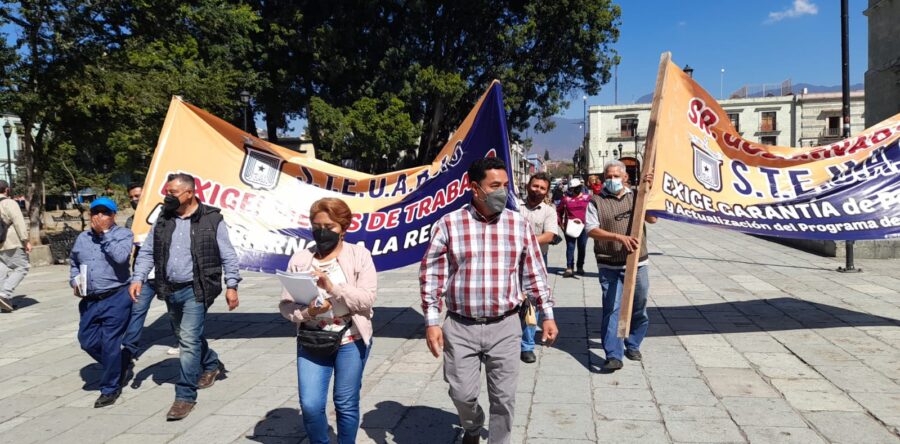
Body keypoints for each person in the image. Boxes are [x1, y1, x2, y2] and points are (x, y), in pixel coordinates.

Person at [421, 157, 558, 444]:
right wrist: (432, 321)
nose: (502, 192)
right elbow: (431, 275)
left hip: (506, 326)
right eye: (495, 186)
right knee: (462, 394)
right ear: (475, 188)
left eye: (506, 186)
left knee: (504, 399)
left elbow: (535, 273)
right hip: (460, 327)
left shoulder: (517, 225)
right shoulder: (449, 224)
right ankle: (472, 427)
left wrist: (547, 313)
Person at [130, 173, 241, 421]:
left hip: (198, 288)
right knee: (184, 335)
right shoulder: (164, 217)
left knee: (188, 341)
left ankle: (185, 396)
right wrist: (137, 277)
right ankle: (211, 363)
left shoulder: (212, 219)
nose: (167, 197)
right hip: (169, 288)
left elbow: (228, 254)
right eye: (167, 192)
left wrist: (232, 284)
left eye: (173, 193)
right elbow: (148, 250)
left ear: (190, 193)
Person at [279, 197, 377, 444]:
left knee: (345, 403)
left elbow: (366, 299)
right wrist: (308, 312)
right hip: (312, 339)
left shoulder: (360, 255)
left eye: (329, 227)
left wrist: (333, 288)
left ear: (344, 228)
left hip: (350, 338)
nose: (322, 233)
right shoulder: (301, 259)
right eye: (317, 226)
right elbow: (286, 306)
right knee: (311, 405)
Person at [584, 160, 656, 372]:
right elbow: (591, 229)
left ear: (625, 178)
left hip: (638, 262)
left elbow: (652, 219)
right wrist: (618, 237)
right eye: (609, 176)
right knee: (612, 308)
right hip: (609, 264)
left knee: (639, 305)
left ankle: (633, 343)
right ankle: (613, 354)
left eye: (616, 176)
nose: (612, 180)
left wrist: (649, 192)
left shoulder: (636, 197)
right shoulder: (596, 201)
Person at [69, 197, 134, 407]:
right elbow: (74, 263)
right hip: (90, 299)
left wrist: (105, 233)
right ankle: (121, 363)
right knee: (87, 341)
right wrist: (74, 280)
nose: (99, 217)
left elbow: (121, 258)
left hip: (116, 297)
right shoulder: (83, 238)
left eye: (105, 213)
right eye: (95, 212)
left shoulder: (123, 234)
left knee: (110, 343)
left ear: (113, 216)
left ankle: (110, 388)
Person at [122, 182, 178, 368]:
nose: (134, 200)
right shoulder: (132, 221)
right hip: (144, 275)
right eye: (131, 197)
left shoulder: (168, 216)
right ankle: (129, 350)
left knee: (175, 310)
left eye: (137, 196)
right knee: (137, 310)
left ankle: (182, 341)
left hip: (168, 273)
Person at [516, 172, 559, 364]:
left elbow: (550, 235)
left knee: (531, 304)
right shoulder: (515, 207)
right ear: (528, 186)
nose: (538, 190)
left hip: (537, 260)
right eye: (535, 186)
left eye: (542, 188)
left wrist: (525, 242)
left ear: (547, 191)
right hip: (512, 260)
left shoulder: (548, 211)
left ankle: (527, 346)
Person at [0, 180, 31, 312]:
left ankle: (4, 302)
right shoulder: (9, 203)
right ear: (6, 190)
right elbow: (19, 222)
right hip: (10, 241)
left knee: (2, 270)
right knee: (22, 266)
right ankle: (4, 294)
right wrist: (25, 240)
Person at [557, 177, 591, 277]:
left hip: (584, 227)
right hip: (570, 227)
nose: (574, 190)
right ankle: (569, 268)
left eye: (576, 188)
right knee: (570, 247)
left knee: (582, 247)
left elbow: (593, 211)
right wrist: (561, 224)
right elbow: (558, 211)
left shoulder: (587, 198)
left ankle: (580, 267)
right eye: (572, 188)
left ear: (580, 187)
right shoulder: (566, 199)